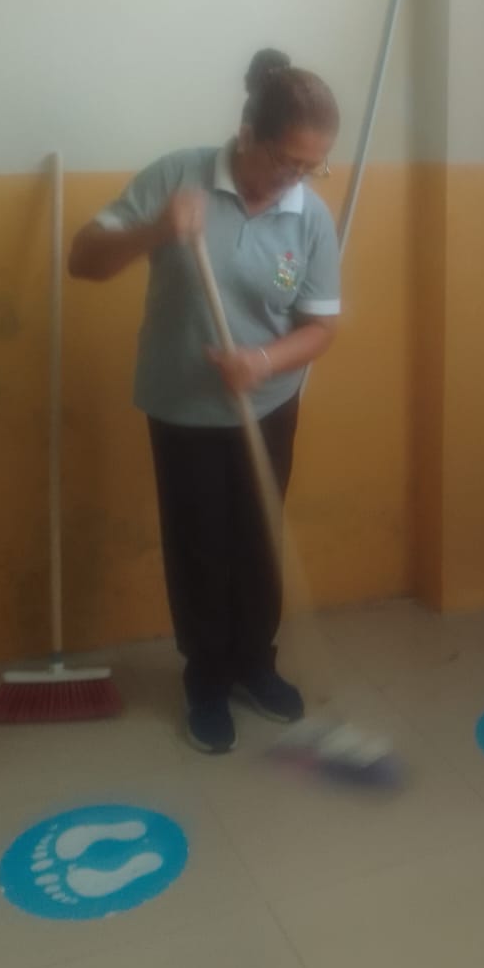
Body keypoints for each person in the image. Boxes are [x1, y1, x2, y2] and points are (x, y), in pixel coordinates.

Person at [68, 51, 341, 754]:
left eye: (311, 167)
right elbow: (83, 260)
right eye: (286, 160)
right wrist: (155, 230)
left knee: (258, 538)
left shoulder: (308, 215)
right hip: (182, 406)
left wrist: (261, 362)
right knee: (200, 548)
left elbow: (320, 327)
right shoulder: (177, 176)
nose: (295, 178)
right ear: (248, 133)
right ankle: (207, 678)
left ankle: (255, 663)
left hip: (267, 404)